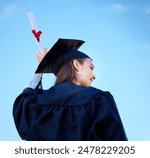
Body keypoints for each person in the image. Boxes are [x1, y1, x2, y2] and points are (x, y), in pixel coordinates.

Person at [13, 38, 127, 141]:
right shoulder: (99, 99)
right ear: (76, 64)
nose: (94, 76)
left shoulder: (36, 105)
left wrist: (40, 69)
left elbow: (22, 106)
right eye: (91, 67)